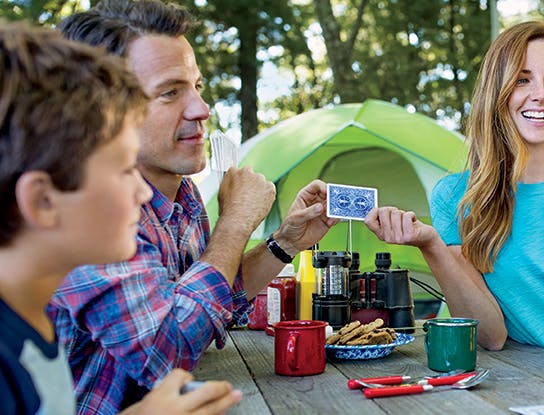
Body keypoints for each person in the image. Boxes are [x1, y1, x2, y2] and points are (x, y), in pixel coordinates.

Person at [47, 0, 339, 412]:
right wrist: (235, 221)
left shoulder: (181, 198)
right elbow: (168, 355)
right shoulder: (85, 211)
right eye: (170, 92)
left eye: (197, 86)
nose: (202, 110)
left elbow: (207, 307)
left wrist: (282, 244)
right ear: (102, 110)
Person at [364, 20, 544, 368]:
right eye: (521, 79)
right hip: (517, 378)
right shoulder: (455, 196)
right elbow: (491, 336)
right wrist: (432, 245)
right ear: (496, 91)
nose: (541, 94)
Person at [0, 21, 241, 415]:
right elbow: (171, 347)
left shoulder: (29, 329)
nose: (144, 191)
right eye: (123, 168)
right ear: (43, 201)